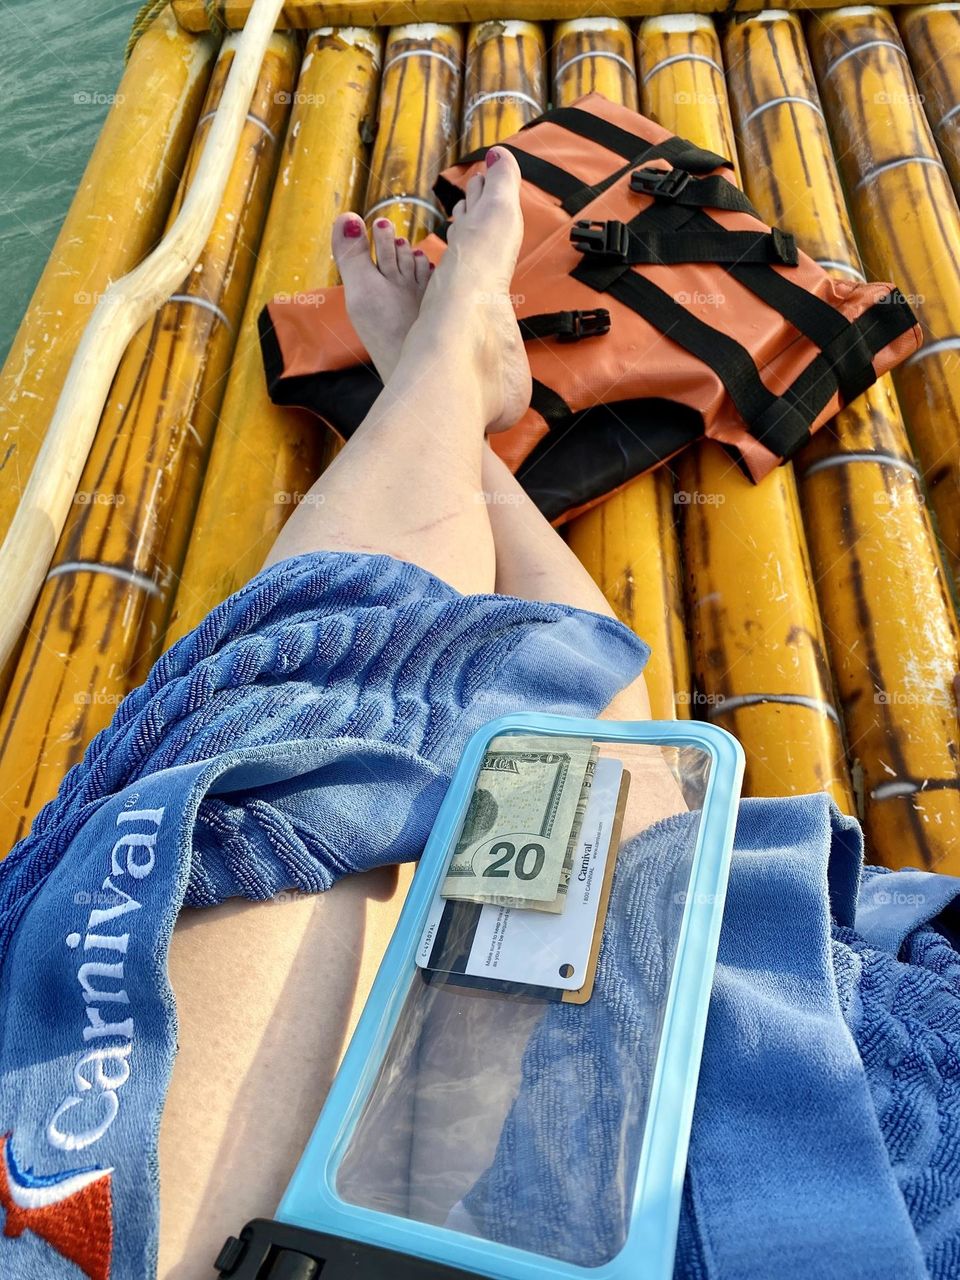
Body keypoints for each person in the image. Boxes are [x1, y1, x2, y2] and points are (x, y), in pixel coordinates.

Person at [1, 147, 958, 1280]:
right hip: (847, 1135)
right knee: (618, 807)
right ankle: (454, 388)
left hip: (749, 1159)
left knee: (298, 752)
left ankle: (449, 376)